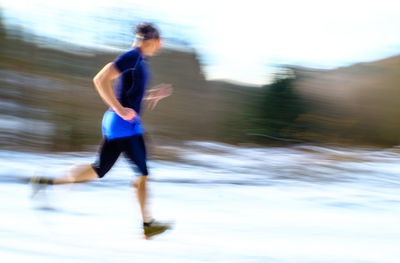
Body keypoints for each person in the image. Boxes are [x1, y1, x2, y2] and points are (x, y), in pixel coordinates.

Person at [31, 23, 173, 239]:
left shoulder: (139, 61)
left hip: (119, 124)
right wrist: (120, 109)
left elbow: (129, 93)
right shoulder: (132, 57)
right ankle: (148, 224)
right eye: (159, 42)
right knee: (143, 174)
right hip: (124, 126)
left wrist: (150, 96)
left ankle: (45, 182)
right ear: (151, 40)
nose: (160, 46)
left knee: (98, 169)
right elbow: (100, 79)